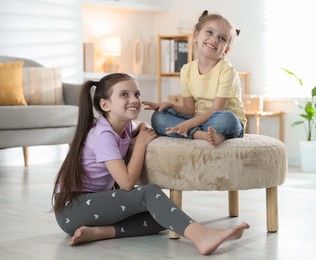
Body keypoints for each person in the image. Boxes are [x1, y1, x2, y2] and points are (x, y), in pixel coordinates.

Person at [51, 73, 249, 255]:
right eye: (124, 95)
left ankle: (99, 232)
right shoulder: (102, 135)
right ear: (105, 105)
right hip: (73, 209)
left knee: (162, 217)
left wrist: (142, 132)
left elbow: (143, 126)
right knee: (149, 192)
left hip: (92, 205)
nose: (134, 100)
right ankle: (201, 236)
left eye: (136, 94)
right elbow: (127, 183)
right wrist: (141, 144)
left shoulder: (125, 126)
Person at [143, 10, 246, 146]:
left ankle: (205, 132)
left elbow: (217, 110)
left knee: (227, 119)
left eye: (222, 38)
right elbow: (189, 110)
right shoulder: (186, 70)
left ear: (226, 50)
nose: (215, 39)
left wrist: (187, 124)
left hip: (222, 120)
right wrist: (170, 105)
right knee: (158, 117)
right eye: (210, 32)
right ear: (196, 36)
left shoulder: (227, 71)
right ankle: (200, 134)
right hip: (199, 119)